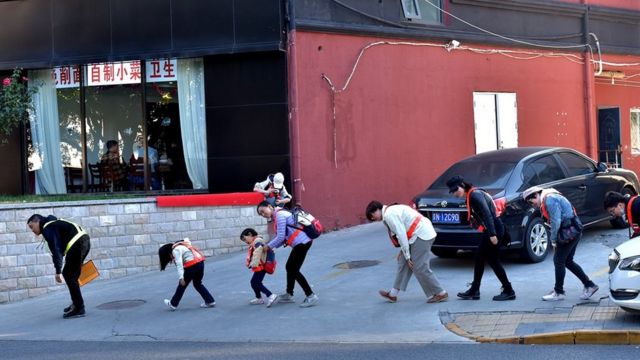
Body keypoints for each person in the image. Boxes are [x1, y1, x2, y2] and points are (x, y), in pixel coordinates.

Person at [522, 186, 599, 301]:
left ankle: (559, 292)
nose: (532, 205)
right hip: (573, 231)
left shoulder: (549, 199)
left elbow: (556, 220)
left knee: (558, 261)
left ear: (536, 195)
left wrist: (553, 240)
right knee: (567, 261)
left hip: (568, 233)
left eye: (531, 201)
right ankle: (589, 285)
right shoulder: (550, 196)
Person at [446, 175, 515, 301]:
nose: (455, 193)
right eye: (452, 192)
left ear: (462, 185)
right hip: (490, 229)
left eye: (456, 190)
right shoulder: (471, 195)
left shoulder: (474, 195)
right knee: (479, 258)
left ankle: (508, 290)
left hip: (493, 229)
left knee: (493, 260)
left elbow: (488, 214)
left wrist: (492, 234)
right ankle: (475, 290)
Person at [365, 200, 448, 304]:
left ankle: (440, 293)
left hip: (421, 234)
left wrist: (408, 256)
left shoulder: (389, 215)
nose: (373, 219)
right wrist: (404, 253)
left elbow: (401, 234)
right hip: (416, 234)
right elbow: (403, 233)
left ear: (377, 209)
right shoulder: (390, 211)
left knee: (419, 266)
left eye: (372, 215)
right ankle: (393, 294)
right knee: (403, 262)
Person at [27, 214, 91, 319]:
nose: (32, 230)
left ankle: (79, 308)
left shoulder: (48, 228)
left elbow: (57, 251)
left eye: (32, 226)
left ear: (37, 221)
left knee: (69, 275)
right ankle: (76, 303)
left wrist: (58, 271)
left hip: (77, 244)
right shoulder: (53, 223)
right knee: (72, 276)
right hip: (84, 240)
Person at [257, 201, 319, 308]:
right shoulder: (279, 215)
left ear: (270, 207)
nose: (263, 214)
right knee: (290, 267)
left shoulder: (280, 215)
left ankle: (311, 295)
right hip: (302, 243)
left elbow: (280, 237)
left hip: (302, 243)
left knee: (293, 269)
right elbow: (284, 238)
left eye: (263, 211)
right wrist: (271, 247)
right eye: (260, 214)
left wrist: (268, 247)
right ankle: (289, 294)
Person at [158, 238, 216, 310]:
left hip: (192, 266)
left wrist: (181, 277)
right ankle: (210, 301)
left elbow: (179, 265)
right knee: (198, 284)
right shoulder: (182, 245)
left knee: (182, 286)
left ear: (167, 253)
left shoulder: (175, 250)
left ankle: (173, 304)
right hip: (200, 263)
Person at [240, 228, 278, 307]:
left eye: (245, 239)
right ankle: (259, 298)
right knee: (254, 282)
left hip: (261, 266)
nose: (245, 241)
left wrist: (253, 264)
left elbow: (257, 252)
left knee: (256, 282)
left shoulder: (257, 241)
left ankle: (270, 295)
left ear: (250, 234)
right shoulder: (257, 241)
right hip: (259, 265)